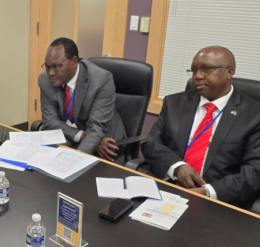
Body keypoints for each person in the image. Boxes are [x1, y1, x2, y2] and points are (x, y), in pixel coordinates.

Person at [142, 46, 260, 208]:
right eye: (194, 70)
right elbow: (151, 144)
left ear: (229, 72)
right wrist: (177, 167)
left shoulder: (254, 115)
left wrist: (208, 191)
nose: (197, 76)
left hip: (219, 202)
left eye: (206, 69)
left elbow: (254, 172)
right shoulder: (174, 103)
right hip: (169, 189)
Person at [38, 37, 125, 156]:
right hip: (71, 137)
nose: (50, 73)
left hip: (106, 144)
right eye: (47, 67)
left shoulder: (101, 80)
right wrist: (80, 135)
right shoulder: (45, 80)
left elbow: (96, 128)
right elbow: (50, 121)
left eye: (56, 66)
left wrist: (75, 159)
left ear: (73, 62)